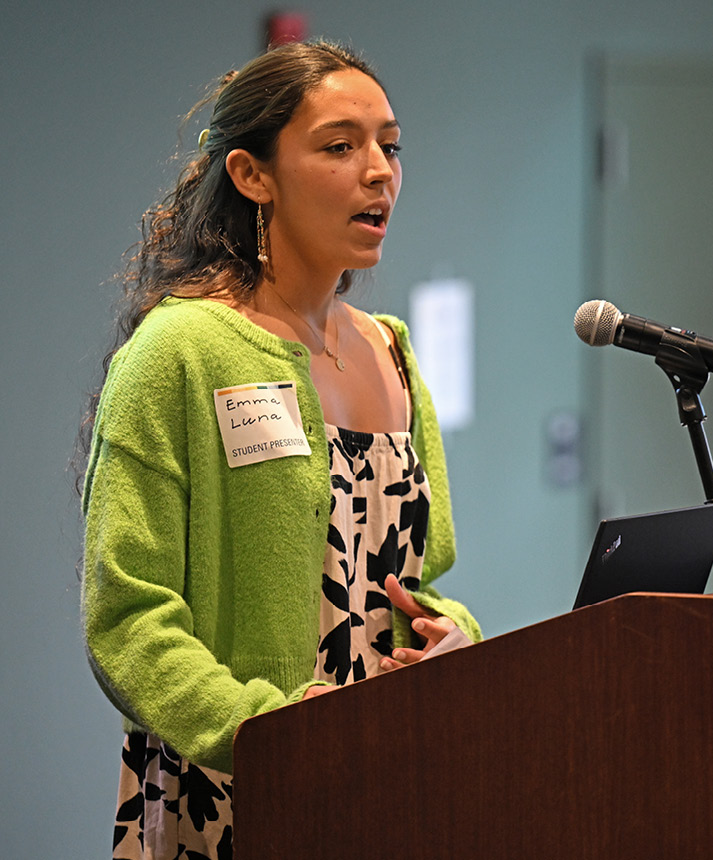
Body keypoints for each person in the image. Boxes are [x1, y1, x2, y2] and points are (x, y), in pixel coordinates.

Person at [77, 41, 480, 859]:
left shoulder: (392, 350)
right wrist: (271, 736)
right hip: (241, 794)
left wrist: (452, 636)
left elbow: (415, 575)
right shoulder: (180, 352)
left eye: (389, 145)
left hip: (391, 781)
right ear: (252, 175)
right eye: (340, 146)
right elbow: (128, 618)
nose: (380, 172)